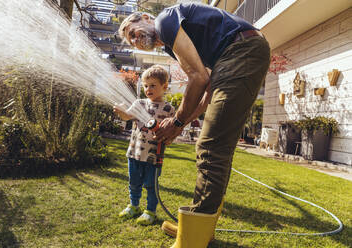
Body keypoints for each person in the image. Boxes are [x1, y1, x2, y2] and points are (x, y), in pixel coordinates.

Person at [119, 3, 270, 247]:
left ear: (146, 17)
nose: (135, 40)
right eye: (131, 41)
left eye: (133, 32)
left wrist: (177, 121)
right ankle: (197, 229)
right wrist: (180, 123)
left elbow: (199, 78)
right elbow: (208, 86)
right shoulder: (172, 43)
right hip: (237, 55)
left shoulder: (165, 20)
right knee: (214, 145)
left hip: (240, 51)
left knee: (211, 147)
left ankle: (193, 238)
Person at [114, 65, 175, 226]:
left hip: (154, 156)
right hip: (134, 152)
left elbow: (173, 132)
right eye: (146, 85)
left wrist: (168, 139)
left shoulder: (169, 109)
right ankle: (133, 206)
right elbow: (127, 116)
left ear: (164, 86)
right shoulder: (139, 103)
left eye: (153, 85)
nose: (148, 89)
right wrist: (121, 112)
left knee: (150, 184)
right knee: (134, 182)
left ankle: (150, 211)